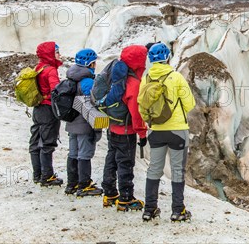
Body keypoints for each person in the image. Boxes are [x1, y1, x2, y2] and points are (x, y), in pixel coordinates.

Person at [138, 43, 196, 222]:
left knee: (154, 169)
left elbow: (142, 106)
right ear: (167, 57)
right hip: (177, 130)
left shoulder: (146, 78)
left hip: (156, 131)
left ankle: (150, 209)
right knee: (178, 170)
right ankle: (177, 211)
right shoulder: (176, 77)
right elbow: (190, 104)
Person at [101, 45, 148, 211]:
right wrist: (142, 134)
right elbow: (136, 113)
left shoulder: (116, 76)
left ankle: (109, 193)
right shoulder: (133, 83)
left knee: (111, 159)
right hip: (126, 131)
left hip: (112, 127)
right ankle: (126, 198)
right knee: (125, 163)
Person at [64, 48, 103, 197]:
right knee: (85, 154)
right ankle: (84, 185)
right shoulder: (87, 81)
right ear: (90, 63)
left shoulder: (71, 77)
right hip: (84, 123)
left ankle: (71, 184)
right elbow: (92, 101)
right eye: (94, 62)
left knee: (73, 152)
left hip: (72, 121)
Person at [29, 41, 64, 187]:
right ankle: (47, 176)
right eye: (56, 52)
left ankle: (37, 174)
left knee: (36, 142)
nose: (59, 55)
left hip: (37, 109)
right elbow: (56, 91)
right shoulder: (50, 70)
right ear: (50, 54)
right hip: (48, 109)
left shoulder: (39, 67)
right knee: (47, 143)